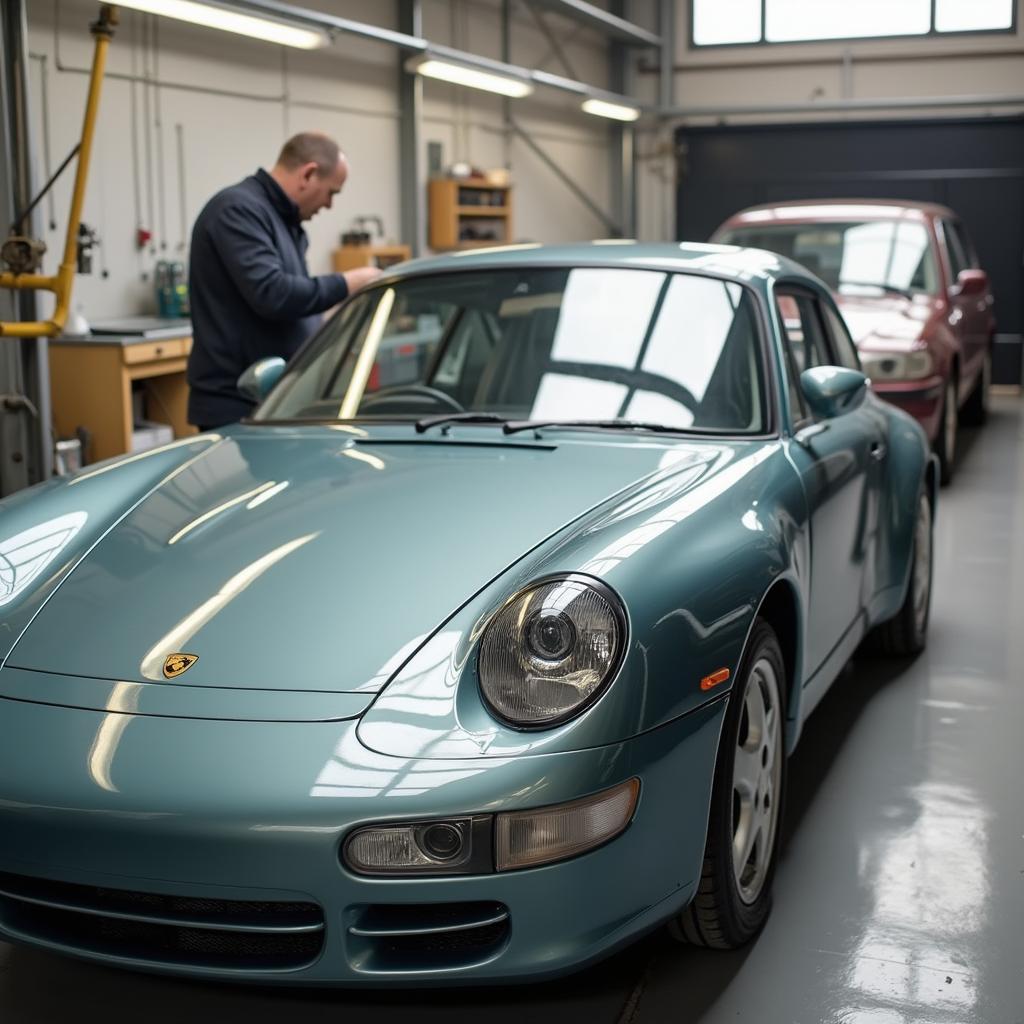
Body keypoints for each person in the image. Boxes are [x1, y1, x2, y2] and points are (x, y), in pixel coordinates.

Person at [186, 132, 381, 430]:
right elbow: (272, 294)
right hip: (237, 405)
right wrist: (349, 283)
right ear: (309, 174)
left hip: (274, 401)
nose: (329, 205)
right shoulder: (238, 211)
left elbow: (291, 304)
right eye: (332, 192)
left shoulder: (285, 223)